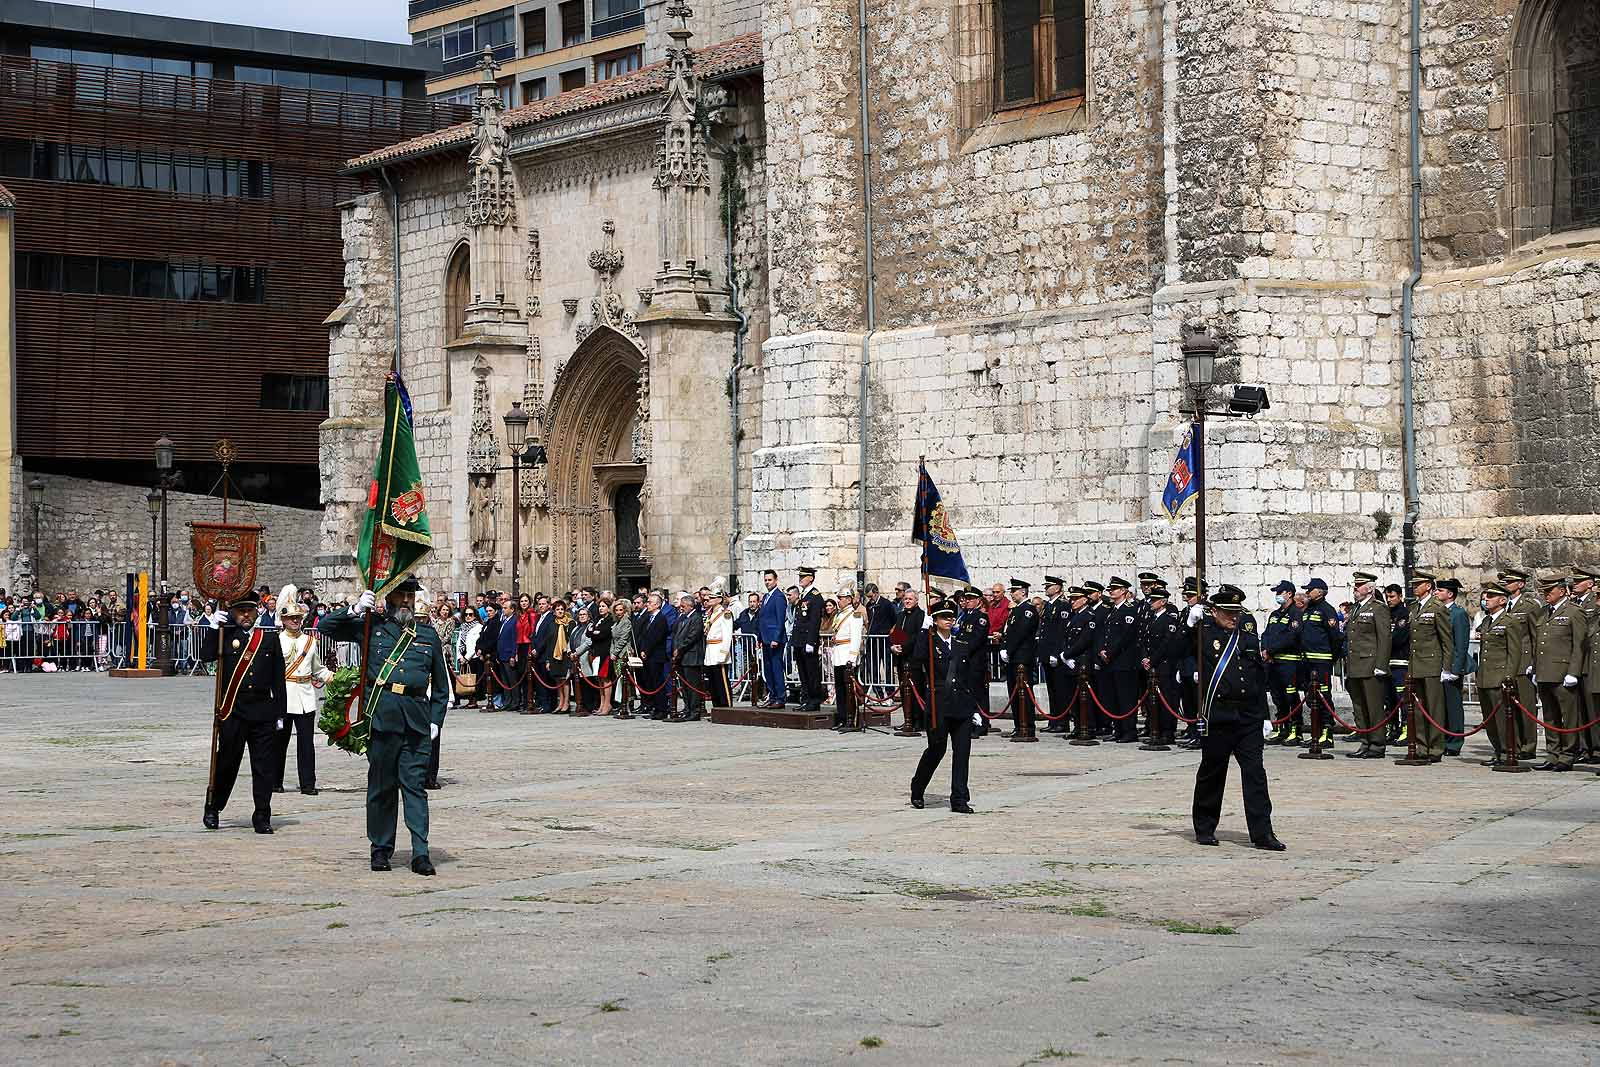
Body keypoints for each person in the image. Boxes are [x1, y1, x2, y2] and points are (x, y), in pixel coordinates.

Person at [321, 578, 449, 875]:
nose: (406, 600)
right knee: (381, 787)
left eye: (410, 595)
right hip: (382, 718)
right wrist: (354, 609)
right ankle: (380, 849)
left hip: (416, 722)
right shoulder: (372, 627)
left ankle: (420, 852)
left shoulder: (428, 636)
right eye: (400, 594)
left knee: (415, 787)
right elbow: (327, 628)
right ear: (389, 597)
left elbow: (441, 687)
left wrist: (435, 721)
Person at [1186, 584, 1284, 851]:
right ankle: (1205, 827)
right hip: (1218, 715)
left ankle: (1263, 833)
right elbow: (1178, 648)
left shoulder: (1248, 639)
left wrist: (1265, 716)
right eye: (1227, 612)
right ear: (1214, 611)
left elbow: (1257, 679)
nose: (1233, 617)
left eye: (1236, 612)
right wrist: (1189, 623)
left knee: (1255, 774)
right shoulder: (1203, 635)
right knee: (1212, 772)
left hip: (1248, 717)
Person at [198, 592, 288, 834]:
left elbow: (278, 680)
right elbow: (205, 656)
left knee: (263, 767)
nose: (245, 615)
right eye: (240, 611)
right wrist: (213, 628)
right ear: (232, 613)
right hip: (233, 712)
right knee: (226, 762)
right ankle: (213, 807)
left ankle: (262, 815)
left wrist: (281, 713)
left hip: (263, 713)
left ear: (257, 611)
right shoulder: (225, 636)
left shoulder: (268, 639)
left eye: (249, 610)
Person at [909, 602, 980, 813]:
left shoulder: (960, 644)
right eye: (943, 617)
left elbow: (969, 678)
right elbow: (917, 659)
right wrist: (923, 630)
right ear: (935, 621)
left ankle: (959, 799)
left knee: (962, 753)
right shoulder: (929, 644)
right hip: (939, 705)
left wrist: (975, 708)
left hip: (961, 706)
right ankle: (918, 787)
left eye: (951, 617)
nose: (948, 620)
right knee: (936, 750)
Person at [274, 584, 333, 796]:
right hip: (283, 696)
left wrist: (333, 678)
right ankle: (275, 781)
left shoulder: (310, 641)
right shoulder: (276, 641)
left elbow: (318, 668)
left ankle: (308, 783)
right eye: (291, 618)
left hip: (305, 695)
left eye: (298, 618)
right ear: (283, 620)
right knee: (279, 742)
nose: (296, 621)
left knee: (306, 744)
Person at [1533, 572, 1587, 772]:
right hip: (1545, 672)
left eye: (1549, 591)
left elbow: (1579, 644)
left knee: (1568, 716)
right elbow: (1538, 642)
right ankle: (1553, 753)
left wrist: (1573, 672)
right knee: (1550, 716)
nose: (1546, 594)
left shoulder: (1574, 612)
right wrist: (1534, 667)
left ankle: (1567, 754)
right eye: (1544, 591)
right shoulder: (1543, 612)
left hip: (1564, 673)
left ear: (1562, 591)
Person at [1475, 582, 1531, 767]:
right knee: (1489, 719)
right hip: (1485, 676)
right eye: (1486, 597)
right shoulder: (1486, 621)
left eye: (1490, 597)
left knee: (1502, 719)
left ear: (1502, 599)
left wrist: (1509, 676)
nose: (1486, 600)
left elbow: (1514, 652)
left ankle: (1509, 751)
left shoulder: (1510, 621)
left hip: (1499, 676)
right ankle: (1498, 750)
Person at [1342, 571, 1393, 759]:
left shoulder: (1378, 608)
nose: (1355, 589)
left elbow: (1384, 637)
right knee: (1360, 707)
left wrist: (1381, 664)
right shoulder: (1356, 608)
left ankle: (1377, 745)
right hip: (1356, 665)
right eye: (1355, 585)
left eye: (1359, 585)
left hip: (1370, 664)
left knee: (1373, 707)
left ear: (1369, 589)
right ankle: (1365, 742)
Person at [1405, 569, 1454, 764]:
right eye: (1413, 584)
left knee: (1434, 708)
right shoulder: (1414, 607)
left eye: (1418, 584)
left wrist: (1446, 667)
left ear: (1428, 586)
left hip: (1432, 663)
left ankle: (1435, 747)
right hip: (1416, 663)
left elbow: (1446, 640)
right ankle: (1421, 745)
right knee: (1417, 707)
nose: (1415, 587)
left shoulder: (1437, 607)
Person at [1096, 576, 1141, 742]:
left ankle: (1129, 731)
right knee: (1113, 698)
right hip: (1111, 661)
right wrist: (1102, 649)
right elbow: (1105, 634)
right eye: (1110, 589)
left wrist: (1110, 652)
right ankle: (1118, 729)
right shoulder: (1113, 610)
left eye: (1114, 589)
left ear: (1123, 591)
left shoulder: (1128, 610)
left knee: (1126, 698)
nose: (1111, 591)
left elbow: (1125, 637)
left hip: (1124, 661)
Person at [1141, 584, 1185, 748]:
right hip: (1152, 665)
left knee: (1167, 699)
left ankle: (1167, 732)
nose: (1151, 603)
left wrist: (1152, 659)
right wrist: (1145, 658)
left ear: (1163, 602)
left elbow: (1166, 644)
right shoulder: (1151, 619)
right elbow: (1144, 641)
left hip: (1164, 665)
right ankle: (1155, 730)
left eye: (1155, 600)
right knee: (1154, 701)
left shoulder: (1169, 619)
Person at [1260, 580, 1302, 745]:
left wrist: (1271, 650)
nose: (1277, 596)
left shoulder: (1295, 614)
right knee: (1278, 698)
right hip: (1273, 663)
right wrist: (1264, 649)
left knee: (1291, 697)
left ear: (1289, 593)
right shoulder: (1275, 614)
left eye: (1280, 592)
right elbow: (1266, 634)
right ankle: (1282, 728)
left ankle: (1295, 730)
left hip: (1289, 663)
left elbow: (1291, 636)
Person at [999, 578, 1039, 741]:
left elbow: (1021, 633)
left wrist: (1008, 650)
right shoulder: (1016, 610)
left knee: (1024, 693)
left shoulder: (1028, 610)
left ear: (1023, 592)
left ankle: (1027, 726)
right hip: (1014, 657)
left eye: (1014, 591)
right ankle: (1018, 724)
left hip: (1022, 657)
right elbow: (1009, 632)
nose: (1012, 594)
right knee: (1014, 693)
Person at [1437, 578, 1472, 757]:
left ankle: (1455, 742)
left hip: (1451, 667)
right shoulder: (1438, 611)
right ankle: (1442, 739)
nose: (1437, 593)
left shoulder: (1458, 614)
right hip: (1438, 665)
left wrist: (1455, 669)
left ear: (1450, 594)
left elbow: (1461, 643)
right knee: (1440, 706)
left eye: (1441, 590)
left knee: (1453, 706)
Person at [1037, 575, 1073, 734]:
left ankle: (1062, 722)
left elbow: (1061, 632)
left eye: (1049, 586)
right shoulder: (1048, 605)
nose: (1046, 588)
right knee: (1051, 689)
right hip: (1047, 654)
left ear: (1058, 588)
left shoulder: (1063, 605)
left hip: (1056, 655)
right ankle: (1054, 720)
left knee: (1060, 689)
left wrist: (1055, 653)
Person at [891, 588, 925, 736]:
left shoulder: (920, 615)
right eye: (905, 599)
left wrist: (903, 647)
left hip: (914, 659)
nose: (907, 601)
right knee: (904, 691)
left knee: (916, 690)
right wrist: (894, 646)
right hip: (901, 658)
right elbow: (897, 632)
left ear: (916, 600)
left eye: (910, 599)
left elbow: (917, 637)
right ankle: (907, 719)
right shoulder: (901, 616)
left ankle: (918, 721)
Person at [830, 586, 865, 730]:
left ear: (849, 599)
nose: (839, 600)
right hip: (838, 654)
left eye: (841, 598)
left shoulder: (855, 615)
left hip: (847, 656)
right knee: (840, 689)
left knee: (849, 690)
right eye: (838, 598)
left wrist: (852, 658)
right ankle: (842, 718)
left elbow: (856, 639)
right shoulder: (839, 614)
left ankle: (851, 719)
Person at [791, 567, 826, 712]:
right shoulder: (804, 596)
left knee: (811, 673)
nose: (800, 579)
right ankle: (805, 699)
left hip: (808, 641)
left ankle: (814, 700)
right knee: (803, 672)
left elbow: (814, 621)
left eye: (803, 576)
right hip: (800, 640)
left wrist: (811, 642)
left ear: (811, 578)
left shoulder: (815, 597)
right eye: (800, 576)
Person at [1383, 583, 1411, 746]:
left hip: (1400, 662)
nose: (1389, 600)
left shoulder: (1403, 613)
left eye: (1392, 596)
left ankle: (1406, 729)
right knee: (1389, 699)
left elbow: (1399, 638)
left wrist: (1383, 643)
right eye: (1387, 596)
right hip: (1387, 663)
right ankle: (1391, 728)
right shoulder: (1386, 612)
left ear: (1400, 596)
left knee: (1403, 700)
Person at [671, 591, 706, 721]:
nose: (681, 608)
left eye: (683, 606)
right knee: (685, 686)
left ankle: (695, 711)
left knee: (693, 685)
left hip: (692, 656)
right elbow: (677, 635)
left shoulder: (696, 618)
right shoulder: (683, 618)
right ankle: (688, 708)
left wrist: (680, 648)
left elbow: (692, 636)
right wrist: (676, 649)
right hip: (682, 656)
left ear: (690, 606)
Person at [636, 592, 672, 720]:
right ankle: (655, 708)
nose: (648, 604)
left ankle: (662, 708)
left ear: (657, 605)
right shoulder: (648, 618)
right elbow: (644, 635)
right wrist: (642, 650)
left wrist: (647, 650)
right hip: (647, 655)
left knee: (658, 683)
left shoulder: (661, 618)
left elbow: (656, 638)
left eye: (650, 602)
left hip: (656, 655)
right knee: (650, 683)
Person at [756, 569, 788, 708]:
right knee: (767, 669)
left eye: (770, 580)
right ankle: (772, 695)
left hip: (775, 639)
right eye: (766, 580)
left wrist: (776, 638)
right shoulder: (766, 597)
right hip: (765, 638)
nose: (767, 582)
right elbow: (762, 619)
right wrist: (760, 637)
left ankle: (780, 698)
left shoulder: (779, 597)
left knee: (776, 668)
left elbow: (780, 620)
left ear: (775, 580)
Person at [704, 591, 735, 709]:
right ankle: (716, 706)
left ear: (719, 599)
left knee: (721, 682)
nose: (709, 599)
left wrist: (724, 653)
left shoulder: (725, 614)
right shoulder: (711, 614)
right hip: (710, 650)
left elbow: (727, 635)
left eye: (712, 597)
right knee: (713, 682)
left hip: (719, 650)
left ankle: (726, 706)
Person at [608, 597, 636, 718]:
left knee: (625, 680)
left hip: (624, 653)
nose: (618, 612)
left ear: (625, 610)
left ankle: (628, 704)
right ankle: (621, 703)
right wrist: (612, 652)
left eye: (621, 610)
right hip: (616, 654)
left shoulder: (627, 622)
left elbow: (624, 638)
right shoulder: (616, 622)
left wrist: (615, 652)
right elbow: (613, 639)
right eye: (617, 610)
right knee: (619, 679)